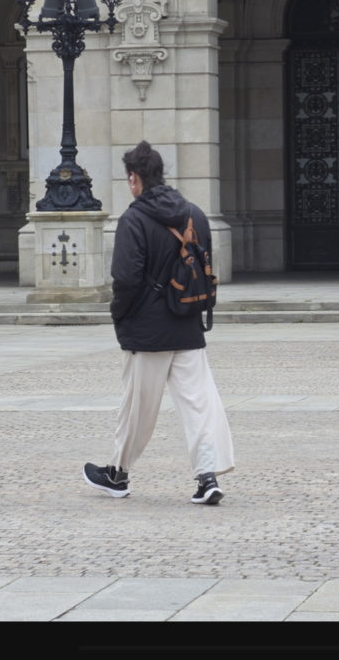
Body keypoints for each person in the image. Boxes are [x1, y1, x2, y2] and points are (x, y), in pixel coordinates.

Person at [83, 141, 235, 505]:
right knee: (199, 404)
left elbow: (126, 279)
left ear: (134, 179)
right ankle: (207, 477)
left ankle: (118, 474)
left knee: (138, 408)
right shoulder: (194, 214)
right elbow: (205, 266)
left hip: (147, 329)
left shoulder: (133, 219)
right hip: (188, 322)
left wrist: (120, 316)